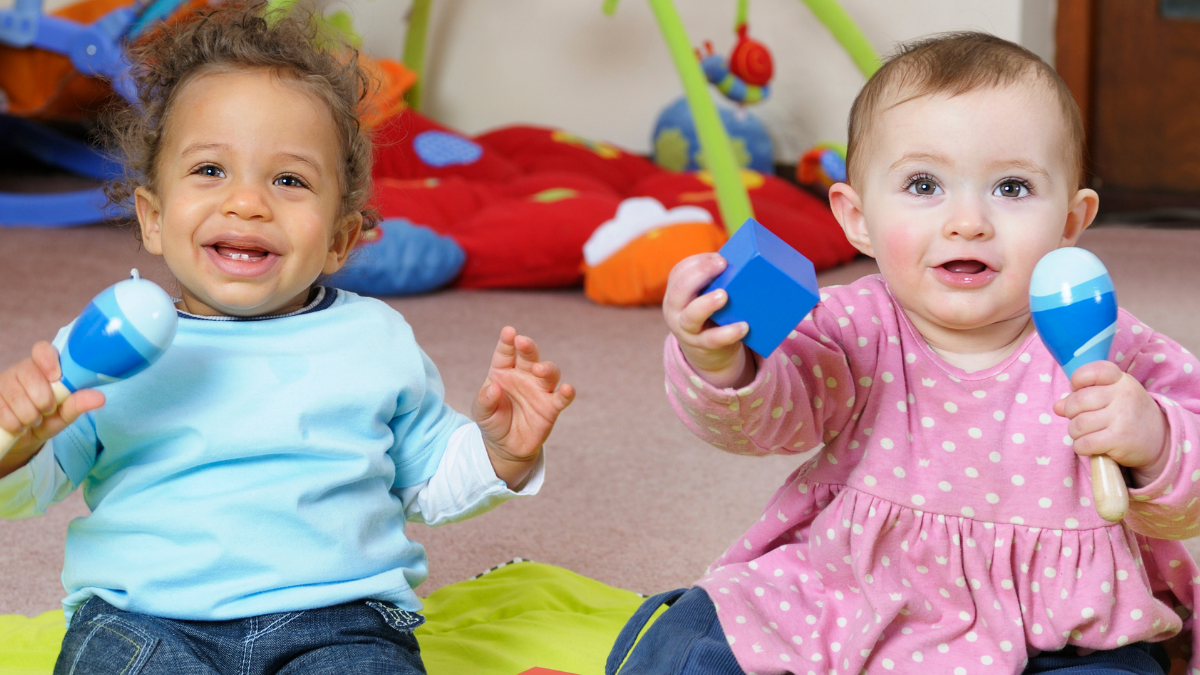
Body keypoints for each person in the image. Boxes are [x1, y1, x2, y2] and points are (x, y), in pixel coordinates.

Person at [0, 4, 574, 674]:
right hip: (146, 619)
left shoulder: (373, 338)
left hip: (339, 621)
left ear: (340, 238)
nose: (247, 202)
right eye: (210, 170)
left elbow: (428, 481)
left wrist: (500, 452)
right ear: (152, 218)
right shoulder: (109, 342)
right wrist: (18, 438)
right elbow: (30, 489)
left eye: (290, 180)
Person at [609, 32, 1200, 675]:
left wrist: (1156, 439)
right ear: (856, 217)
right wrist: (721, 362)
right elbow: (764, 421)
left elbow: (1185, 498)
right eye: (923, 184)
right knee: (693, 642)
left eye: (1011, 188)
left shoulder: (1106, 341)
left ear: (1071, 219)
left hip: (1055, 630)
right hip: (852, 595)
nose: (967, 220)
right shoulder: (849, 327)